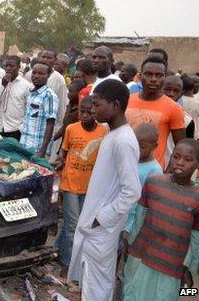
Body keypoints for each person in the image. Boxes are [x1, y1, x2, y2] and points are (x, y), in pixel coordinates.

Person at [67, 79, 141, 301]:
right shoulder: (112, 134)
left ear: (115, 106)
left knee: (98, 282)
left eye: (98, 105)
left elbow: (132, 191)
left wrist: (102, 217)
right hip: (96, 220)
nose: (93, 109)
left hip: (102, 224)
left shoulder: (124, 141)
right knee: (92, 278)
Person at [123, 139, 199, 301]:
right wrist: (130, 246)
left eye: (188, 160)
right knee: (132, 293)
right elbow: (139, 218)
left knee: (167, 296)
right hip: (141, 256)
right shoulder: (154, 182)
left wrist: (189, 270)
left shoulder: (198, 197)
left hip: (172, 265)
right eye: (176, 157)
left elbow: (196, 238)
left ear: (198, 165)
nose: (180, 163)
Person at [52, 96, 107, 273]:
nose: (83, 115)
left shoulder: (103, 132)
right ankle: (67, 263)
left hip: (90, 185)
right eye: (81, 111)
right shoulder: (71, 129)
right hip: (70, 182)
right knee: (73, 224)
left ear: (96, 113)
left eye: (88, 112)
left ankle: (56, 250)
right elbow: (64, 153)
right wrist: (59, 164)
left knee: (78, 223)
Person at [126, 56, 185, 168]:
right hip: (123, 167)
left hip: (152, 174)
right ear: (140, 75)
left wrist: (168, 173)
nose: (153, 79)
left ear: (165, 77)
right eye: (148, 74)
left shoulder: (174, 108)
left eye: (159, 75)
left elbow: (181, 147)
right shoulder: (127, 100)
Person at [122, 123, 162, 250]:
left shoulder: (155, 171)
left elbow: (150, 204)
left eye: (142, 147)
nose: (136, 149)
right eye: (134, 144)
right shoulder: (129, 159)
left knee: (129, 254)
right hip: (118, 216)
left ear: (154, 146)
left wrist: (131, 226)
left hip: (133, 224)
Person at [20, 60, 59, 157]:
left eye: (41, 73)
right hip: (24, 144)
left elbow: (50, 123)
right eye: (34, 72)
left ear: (48, 75)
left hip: (37, 149)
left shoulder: (49, 96)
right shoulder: (31, 94)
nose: (36, 76)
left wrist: (42, 150)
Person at [0, 55, 32, 141]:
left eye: (11, 66)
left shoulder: (26, 85)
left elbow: (28, 110)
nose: (8, 68)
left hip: (15, 130)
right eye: (6, 66)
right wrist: (2, 86)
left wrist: (22, 128)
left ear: (19, 67)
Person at [52, 80, 86, 144]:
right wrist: (51, 140)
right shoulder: (69, 106)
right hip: (65, 142)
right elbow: (64, 127)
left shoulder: (79, 111)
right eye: (68, 90)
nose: (68, 93)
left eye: (71, 91)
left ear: (79, 93)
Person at [181, 75, 199, 140]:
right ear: (194, 88)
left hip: (181, 133)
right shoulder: (198, 103)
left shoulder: (178, 101)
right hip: (194, 134)